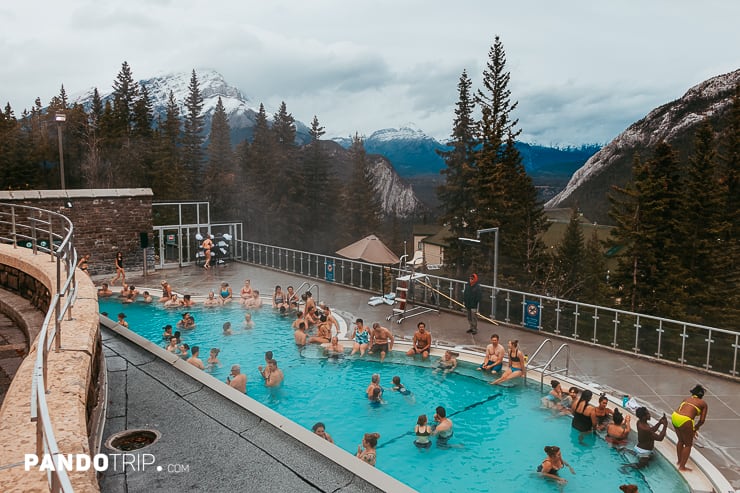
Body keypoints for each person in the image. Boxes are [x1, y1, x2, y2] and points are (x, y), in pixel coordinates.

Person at [672, 384, 708, 471]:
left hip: (675, 416)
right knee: (688, 444)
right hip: (685, 420)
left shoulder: (686, 399)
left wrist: (693, 429)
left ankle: (679, 461)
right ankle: (682, 467)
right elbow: (702, 420)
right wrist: (695, 428)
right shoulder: (703, 403)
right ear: (701, 396)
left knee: (680, 440)